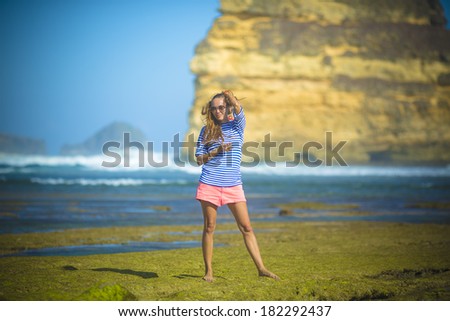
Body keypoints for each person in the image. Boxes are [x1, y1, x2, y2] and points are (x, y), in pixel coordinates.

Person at [195, 90, 279, 282]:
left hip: (233, 185)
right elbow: (199, 160)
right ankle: (209, 272)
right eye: (214, 108)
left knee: (247, 227)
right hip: (210, 184)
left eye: (221, 107)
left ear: (228, 107)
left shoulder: (237, 126)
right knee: (209, 227)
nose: (217, 112)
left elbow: (239, 109)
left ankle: (261, 268)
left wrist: (227, 95)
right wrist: (216, 151)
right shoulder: (206, 131)